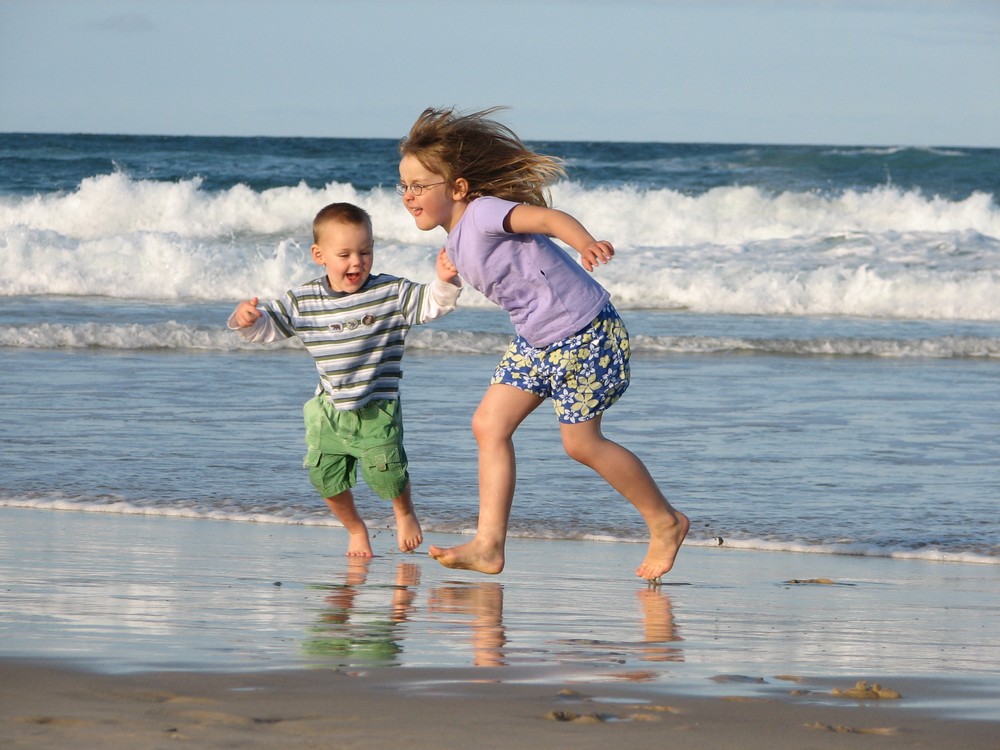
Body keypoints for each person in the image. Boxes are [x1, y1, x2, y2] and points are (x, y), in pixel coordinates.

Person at [397, 107, 689, 581]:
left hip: (584, 332)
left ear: (457, 188)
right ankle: (489, 545)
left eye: (419, 186)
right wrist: (446, 275)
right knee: (488, 425)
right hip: (535, 341)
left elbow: (549, 219)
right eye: (403, 186)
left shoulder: (486, 212)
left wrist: (586, 243)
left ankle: (666, 521)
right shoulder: (454, 240)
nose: (409, 196)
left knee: (581, 443)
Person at [229, 202, 462, 557]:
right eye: (345, 254)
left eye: (365, 252)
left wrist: (444, 282)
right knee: (324, 477)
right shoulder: (305, 300)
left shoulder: (389, 293)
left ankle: (404, 512)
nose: (357, 262)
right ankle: (355, 529)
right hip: (328, 410)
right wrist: (247, 320)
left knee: (388, 473)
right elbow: (269, 327)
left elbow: (429, 304)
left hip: (377, 408)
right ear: (318, 255)